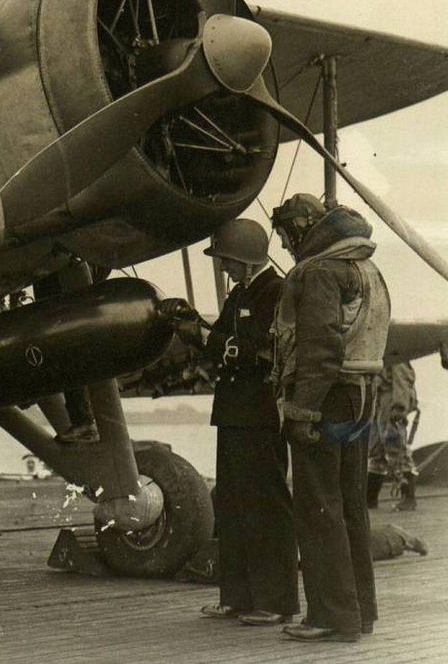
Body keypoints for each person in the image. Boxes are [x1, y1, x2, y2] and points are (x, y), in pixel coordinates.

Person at [270, 194, 390, 644]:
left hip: (326, 399)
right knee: (349, 506)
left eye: (285, 236)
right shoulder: (368, 268)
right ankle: (361, 612)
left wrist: (302, 409)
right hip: (361, 398)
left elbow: (320, 349)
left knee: (318, 507)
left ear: (301, 228)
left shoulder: (319, 272)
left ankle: (331, 616)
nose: (284, 246)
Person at [196, 219, 298, 627]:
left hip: (259, 414)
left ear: (242, 257)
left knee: (266, 505)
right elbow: (221, 343)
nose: (221, 267)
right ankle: (236, 596)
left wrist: (220, 344)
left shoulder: (276, 291)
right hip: (235, 412)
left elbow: (261, 348)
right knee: (234, 505)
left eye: (224, 260)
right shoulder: (241, 292)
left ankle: (277, 601)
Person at [367, 361, 419, 511]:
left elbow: (402, 378)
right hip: (379, 399)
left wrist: (400, 407)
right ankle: (370, 498)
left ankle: (408, 498)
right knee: (375, 449)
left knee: (396, 447)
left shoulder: (397, 354)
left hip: (390, 399)